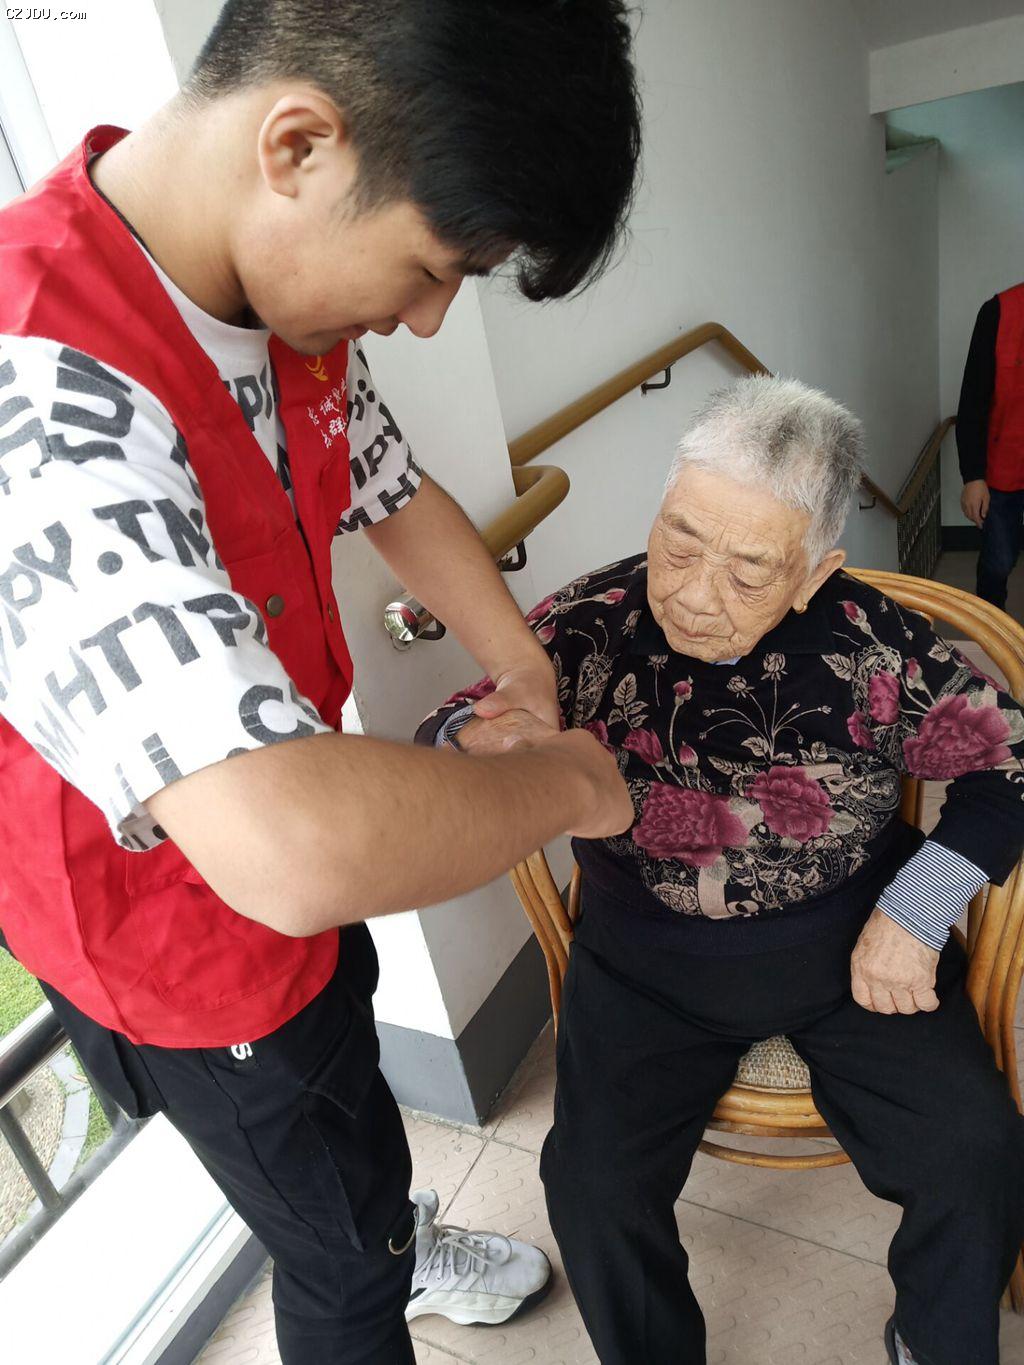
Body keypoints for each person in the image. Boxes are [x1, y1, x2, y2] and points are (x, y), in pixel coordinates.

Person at [0, 3, 641, 1361]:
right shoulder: (43, 393)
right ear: (297, 145)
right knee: (338, 1264)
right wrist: (572, 786)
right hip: (173, 938)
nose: (425, 320)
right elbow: (292, 849)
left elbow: (395, 492)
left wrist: (520, 662)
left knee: (345, 1096)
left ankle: (385, 1221)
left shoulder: (271, 301)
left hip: (283, 903)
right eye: (431, 268)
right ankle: (374, 1248)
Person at [419, 376, 1024, 1365]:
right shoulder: (590, 622)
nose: (695, 596)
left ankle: (932, 1341)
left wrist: (916, 913)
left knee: (977, 1153)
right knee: (590, 1187)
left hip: (851, 946)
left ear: (815, 572)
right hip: (642, 964)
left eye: (749, 572)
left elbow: (1009, 761)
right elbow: (454, 721)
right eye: (679, 541)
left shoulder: (874, 646)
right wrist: (473, 743)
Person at [958, 281, 1024, 611]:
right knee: (998, 563)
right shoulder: (999, 312)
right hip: (1003, 468)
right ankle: (991, 632)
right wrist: (973, 476)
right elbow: (973, 399)